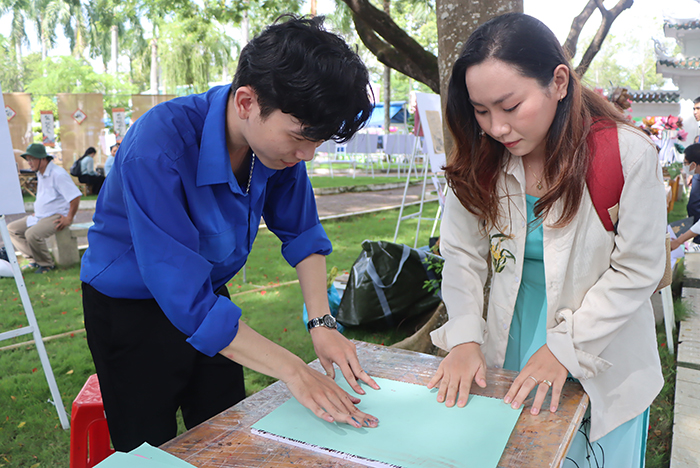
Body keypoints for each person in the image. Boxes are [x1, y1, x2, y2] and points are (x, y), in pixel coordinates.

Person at [80, 15, 380, 452]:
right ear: (246, 102)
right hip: (131, 309)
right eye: (300, 137)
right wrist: (295, 370)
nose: (308, 155)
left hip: (208, 294)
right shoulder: (158, 147)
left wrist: (322, 323)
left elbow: (302, 232)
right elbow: (183, 296)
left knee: (227, 432)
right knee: (149, 446)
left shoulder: (276, 149)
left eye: (317, 142)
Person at [427, 13, 665, 468]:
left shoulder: (626, 154)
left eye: (510, 106)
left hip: (602, 342)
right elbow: (462, 255)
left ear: (558, 82)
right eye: (481, 111)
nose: (496, 127)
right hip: (513, 336)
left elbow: (637, 269)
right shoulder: (481, 159)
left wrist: (564, 348)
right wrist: (464, 337)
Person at [9, 143, 82, 274]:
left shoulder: (58, 174)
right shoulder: (40, 172)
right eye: (27, 159)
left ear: (43, 159)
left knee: (32, 234)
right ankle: (33, 260)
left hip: (57, 215)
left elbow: (75, 196)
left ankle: (47, 265)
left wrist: (69, 218)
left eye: (32, 159)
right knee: (12, 229)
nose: (29, 162)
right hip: (41, 215)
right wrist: (38, 212)